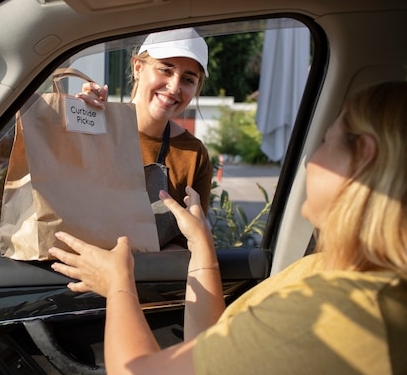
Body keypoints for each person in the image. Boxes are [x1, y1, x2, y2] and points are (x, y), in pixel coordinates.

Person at [49, 81, 407, 374]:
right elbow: (211, 347)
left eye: (326, 141)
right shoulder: (340, 274)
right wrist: (202, 245)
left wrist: (118, 288)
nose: (311, 160)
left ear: (362, 159)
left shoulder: (334, 315)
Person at [77, 27, 213, 249]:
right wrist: (77, 117)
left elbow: (187, 243)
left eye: (188, 79)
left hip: (152, 280)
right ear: (138, 67)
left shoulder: (193, 155)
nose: (174, 87)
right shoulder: (92, 124)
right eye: (165, 70)